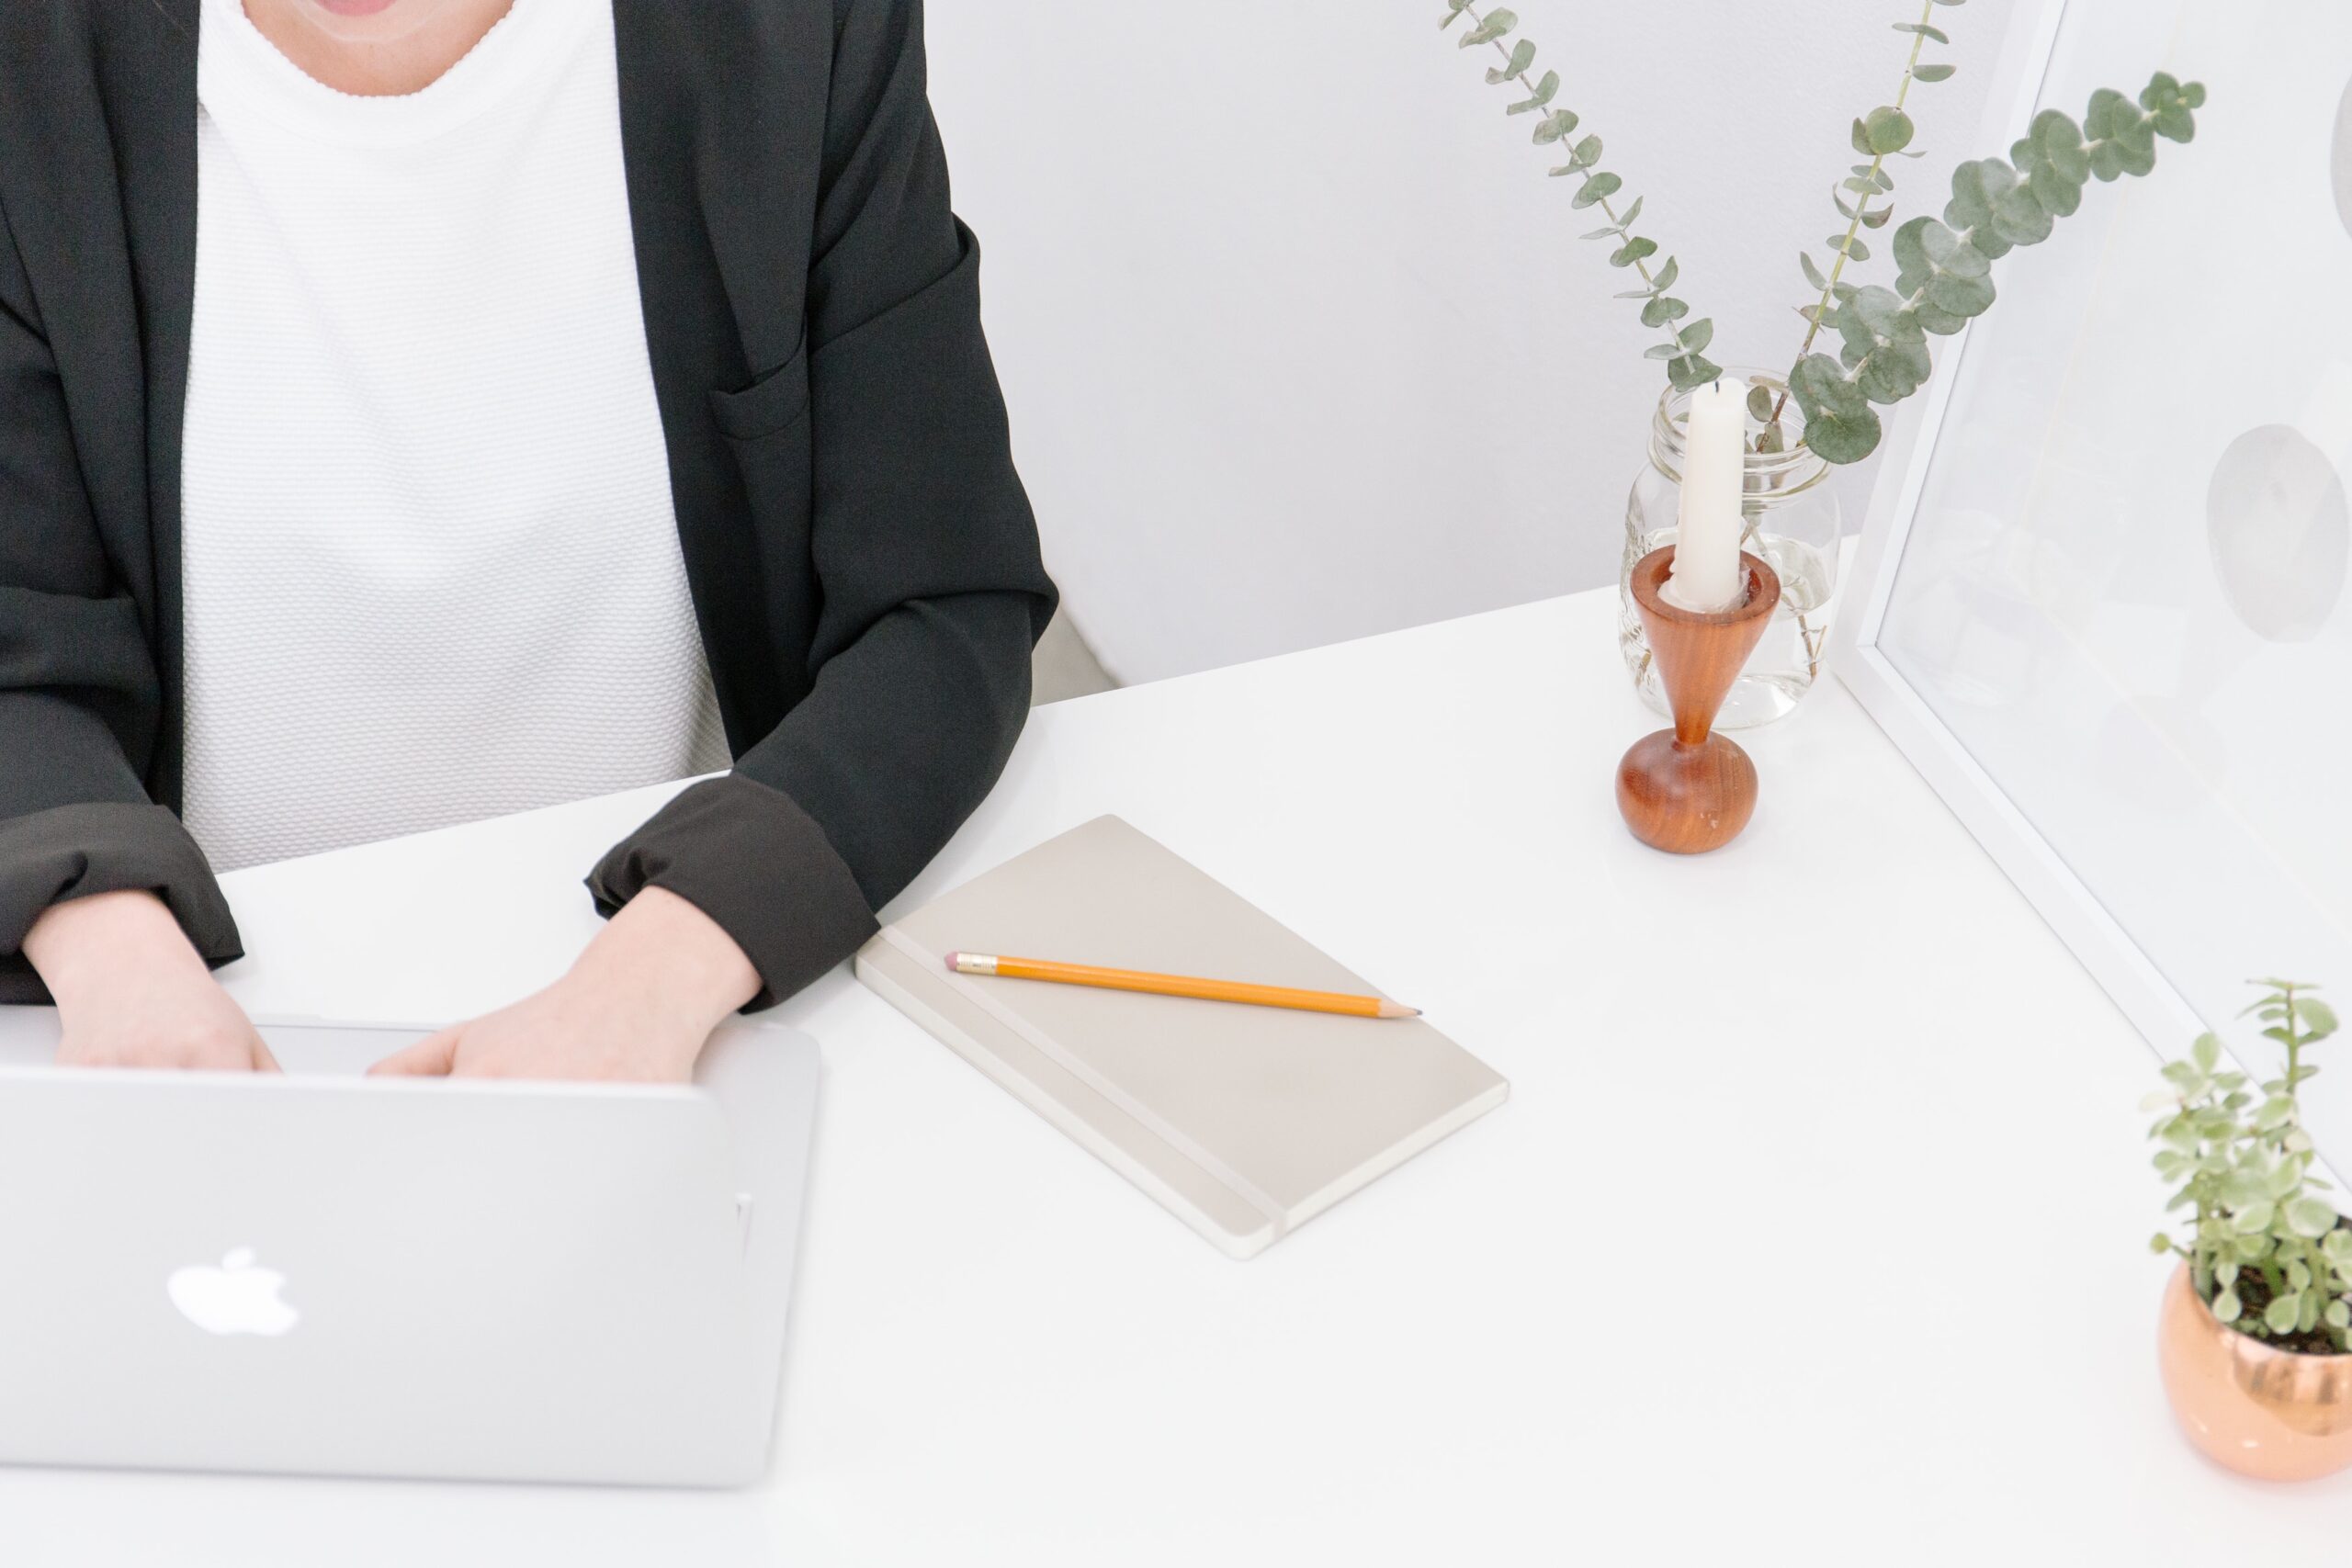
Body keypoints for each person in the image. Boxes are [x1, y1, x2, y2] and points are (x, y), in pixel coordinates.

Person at [0, 0, 1055, 1081]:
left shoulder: (791, 35)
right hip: (191, 1004)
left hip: (666, 983)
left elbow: (941, 599)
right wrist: (113, 950)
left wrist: (662, 972)